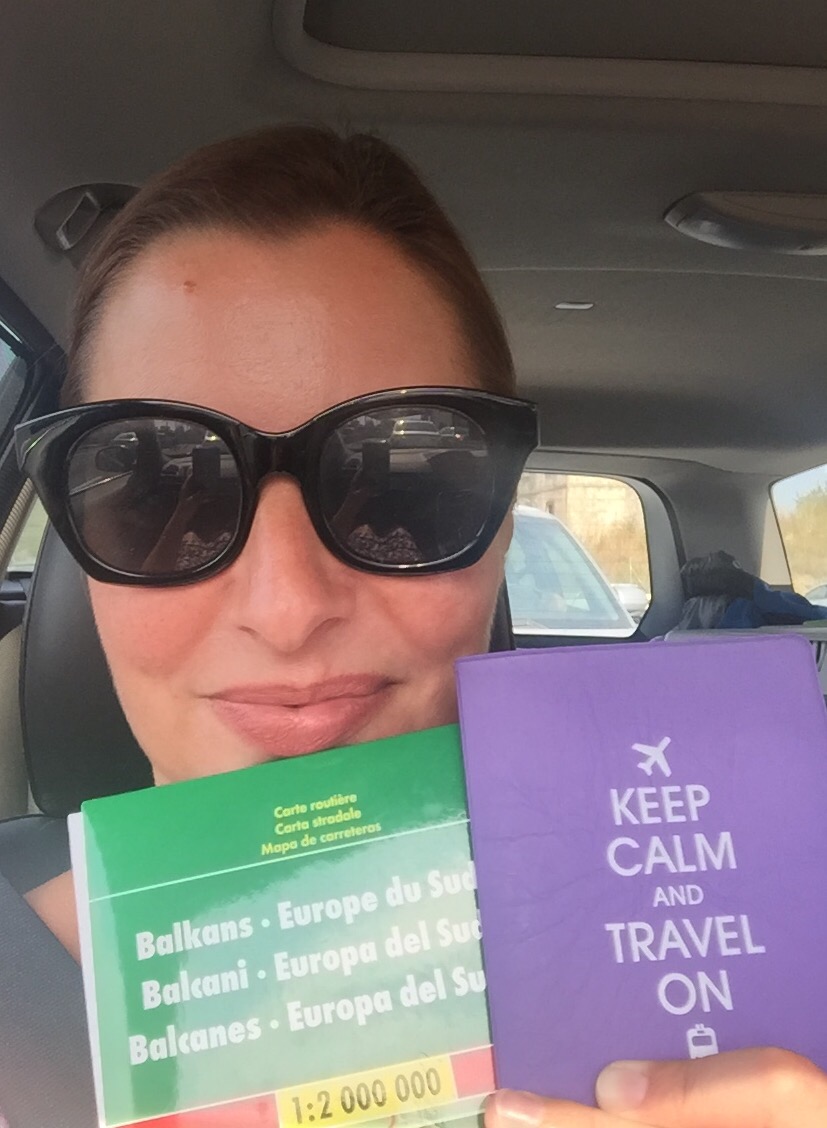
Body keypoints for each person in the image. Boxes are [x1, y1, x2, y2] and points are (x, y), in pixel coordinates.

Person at [11, 126, 827, 1127]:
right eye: (155, 490)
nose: (287, 608)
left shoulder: (747, 948)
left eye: (404, 488)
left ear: (498, 528)